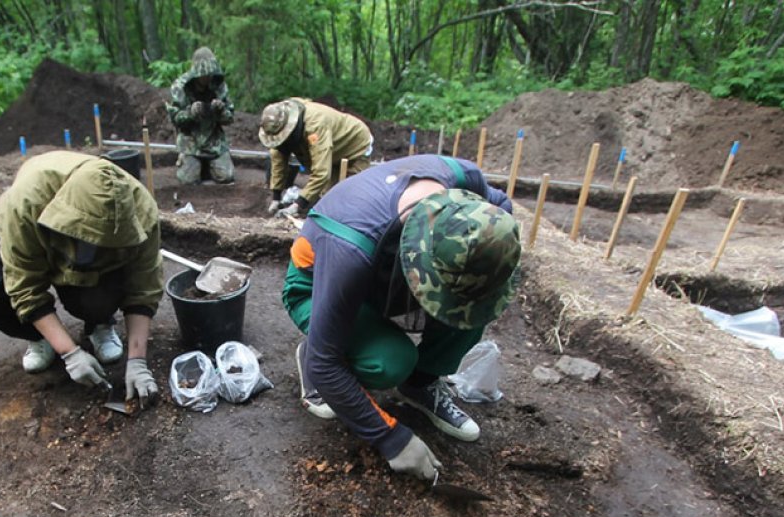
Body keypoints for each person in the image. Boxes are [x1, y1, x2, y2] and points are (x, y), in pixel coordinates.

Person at [283, 154, 521, 483]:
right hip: (317, 283)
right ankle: (313, 346)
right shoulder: (350, 248)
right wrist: (391, 439)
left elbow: (501, 205)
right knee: (389, 361)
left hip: (382, 272)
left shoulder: (464, 180)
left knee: (471, 310)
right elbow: (328, 366)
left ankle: (419, 385)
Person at [0, 150, 161, 407]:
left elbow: (144, 287)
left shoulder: (142, 212)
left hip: (89, 254)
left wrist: (137, 361)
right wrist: (70, 352)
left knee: (96, 300)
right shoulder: (28, 201)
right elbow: (24, 285)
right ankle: (41, 337)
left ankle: (99, 322)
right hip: (19, 229)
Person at [258, 98, 373, 219]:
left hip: (355, 145)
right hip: (332, 150)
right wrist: (276, 197)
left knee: (352, 199)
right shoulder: (279, 122)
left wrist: (297, 205)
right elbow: (278, 158)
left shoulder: (315, 126)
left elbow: (321, 172)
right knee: (328, 199)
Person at [165, 47, 235, 186]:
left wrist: (220, 110)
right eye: (204, 75)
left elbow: (230, 118)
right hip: (190, 142)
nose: (207, 78)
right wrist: (190, 113)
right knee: (188, 180)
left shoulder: (219, 85)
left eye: (210, 74)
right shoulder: (180, 87)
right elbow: (175, 118)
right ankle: (191, 163)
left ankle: (209, 165)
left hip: (214, 142)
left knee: (227, 177)